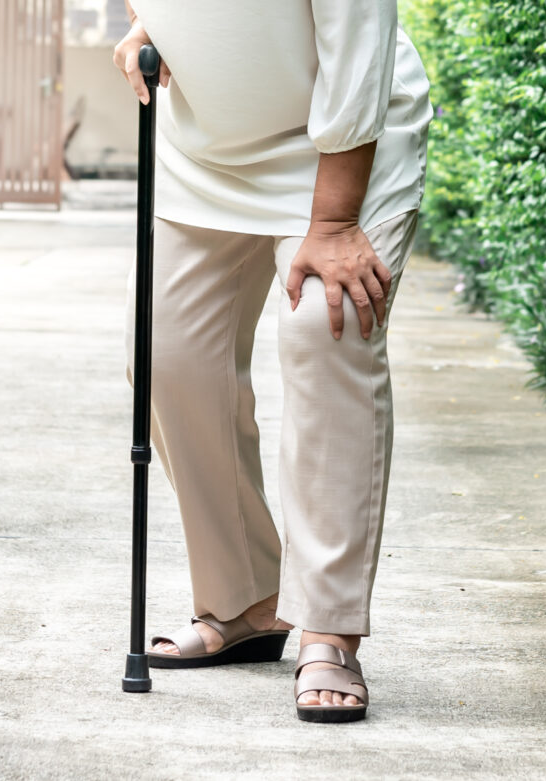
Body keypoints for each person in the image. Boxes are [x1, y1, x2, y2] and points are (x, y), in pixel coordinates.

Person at [113, 0, 432, 722]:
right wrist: (152, 27)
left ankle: (329, 625)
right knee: (164, 348)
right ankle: (246, 601)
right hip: (208, 151)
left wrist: (334, 221)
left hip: (349, 142)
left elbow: (356, 48)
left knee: (327, 323)